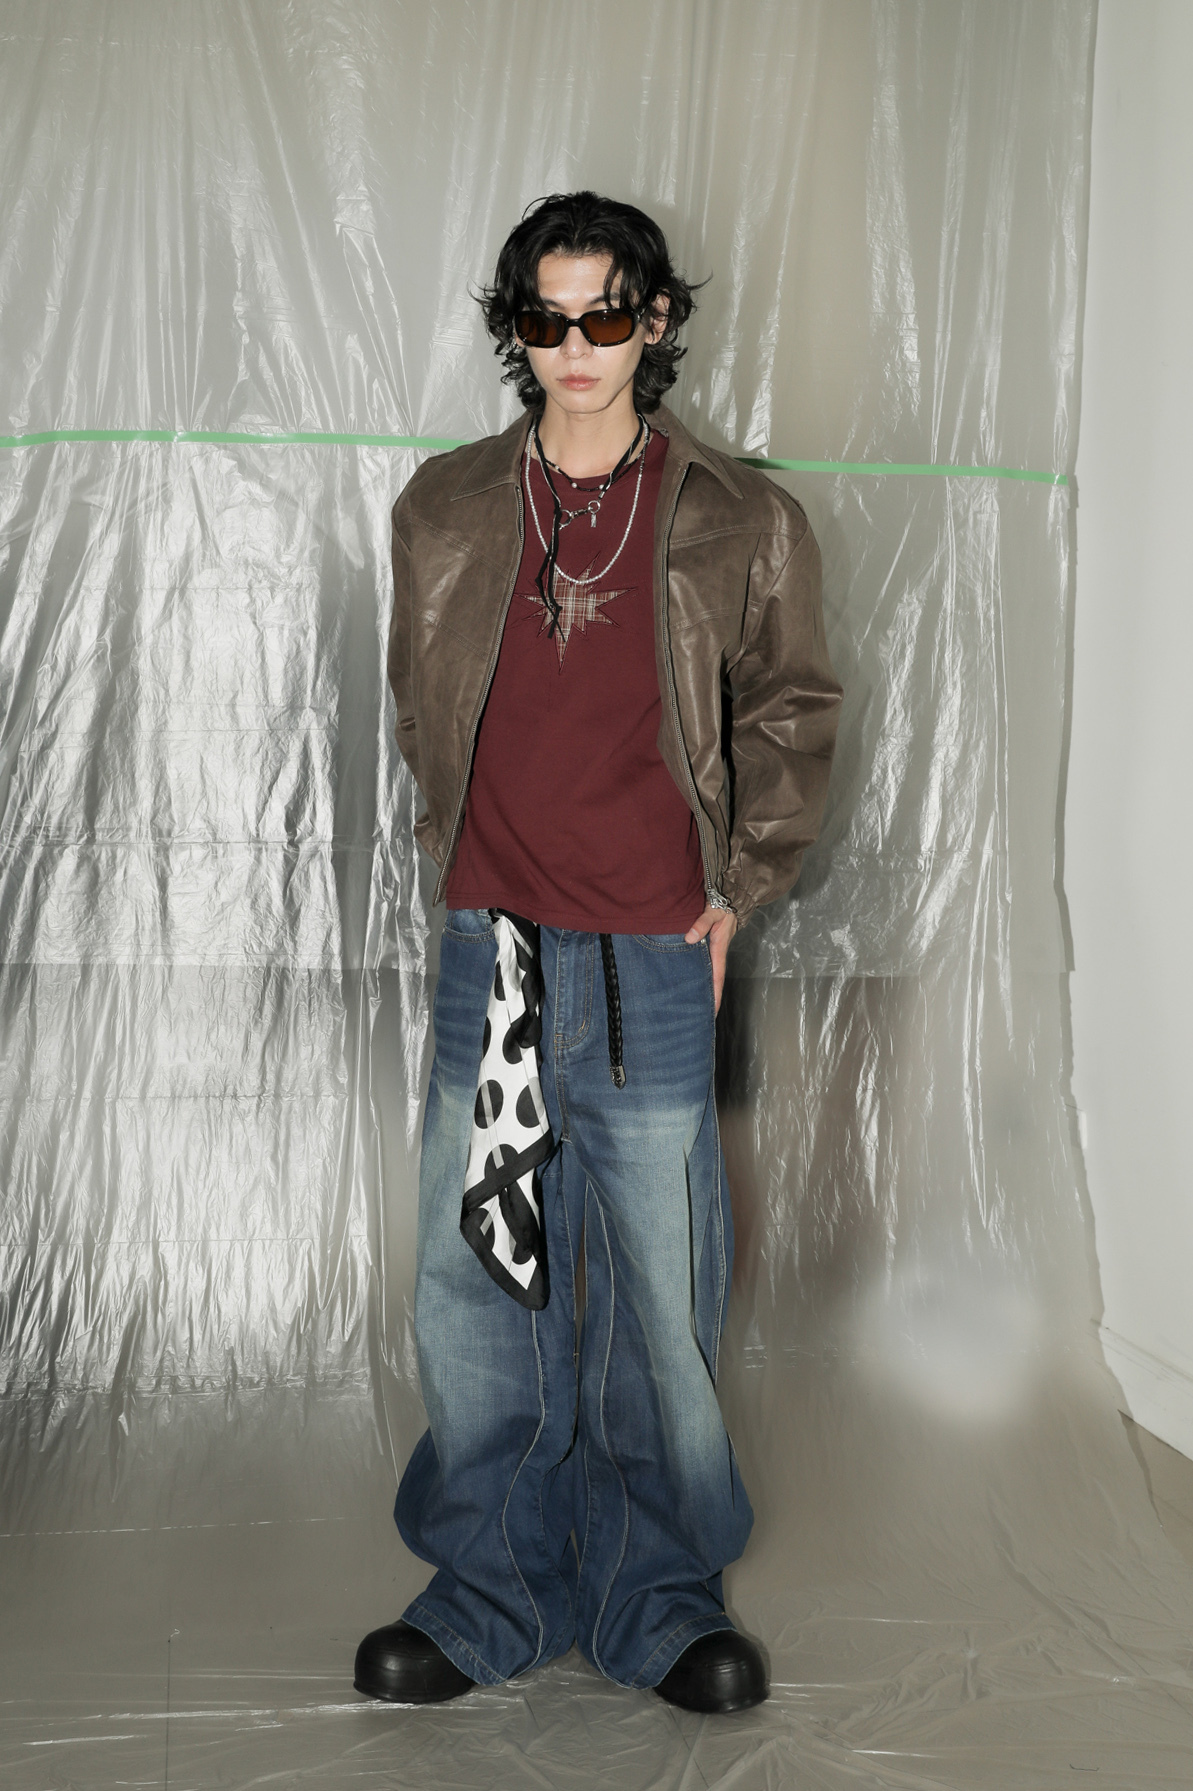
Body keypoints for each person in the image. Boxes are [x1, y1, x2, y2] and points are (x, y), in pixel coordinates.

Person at [354, 191, 842, 1714]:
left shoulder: (742, 519)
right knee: (476, 1274)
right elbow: (423, 704)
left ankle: (657, 1598)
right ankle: (488, 1590)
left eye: (608, 315)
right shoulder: (444, 506)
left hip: (651, 953)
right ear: (517, 330)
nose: (578, 346)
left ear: (657, 321)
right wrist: (472, 870)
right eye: (547, 318)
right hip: (491, 943)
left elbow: (791, 712)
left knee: (656, 1281)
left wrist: (738, 889)